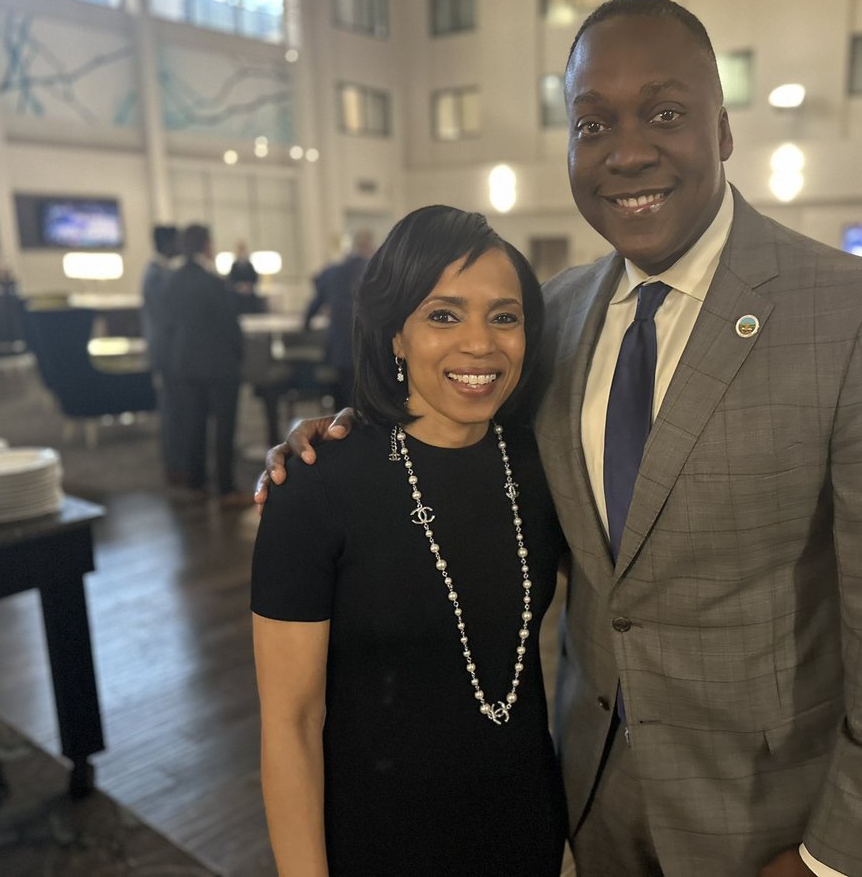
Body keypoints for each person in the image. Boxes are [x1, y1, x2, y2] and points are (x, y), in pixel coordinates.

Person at [260, 0, 862, 877]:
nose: (627, 151)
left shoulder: (860, 312)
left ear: (722, 130)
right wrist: (347, 434)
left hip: (768, 822)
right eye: (592, 123)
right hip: (584, 802)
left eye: (665, 113)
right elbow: (457, 432)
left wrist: (838, 859)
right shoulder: (555, 317)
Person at [251, 205, 566, 875]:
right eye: (443, 315)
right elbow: (291, 724)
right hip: (380, 842)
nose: (480, 344)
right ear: (395, 333)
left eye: (504, 317)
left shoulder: (542, 465)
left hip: (525, 831)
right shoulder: (315, 487)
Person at [165, 224, 246, 507]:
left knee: (194, 424)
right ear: (206, 245)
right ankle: (226, 488)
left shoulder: (172, 279)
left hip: (185, 362)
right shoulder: (212, 281)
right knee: (224, 427)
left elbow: (169, 323)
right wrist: (239, 355)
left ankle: (196, 481)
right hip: (219, 364)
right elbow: (229, 325)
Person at [303, 228, 375, 411]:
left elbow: (316, 302)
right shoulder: (374, 272)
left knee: (342, 400)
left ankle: (341, 426)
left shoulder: (333, 271)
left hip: (339, 347)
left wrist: (306, 324)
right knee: (365, 401)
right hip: (366, 347)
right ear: (371, 246)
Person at [140, 224, 185, 484]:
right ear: (167, 244)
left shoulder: (159, 273)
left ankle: (178, 463)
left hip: (168, 352)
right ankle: (175, 466)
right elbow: (168, 318)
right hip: (167, 354)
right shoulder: (157, 276)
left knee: (176, 411)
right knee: (172, 412)